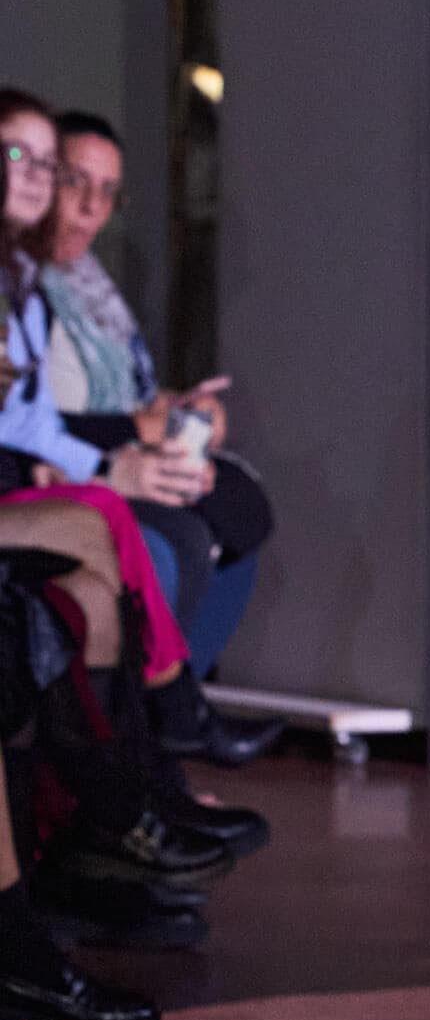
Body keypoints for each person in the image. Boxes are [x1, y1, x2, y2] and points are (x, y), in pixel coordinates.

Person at [0, 91, 278, 765]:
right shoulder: (29, 281)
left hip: (48, 462)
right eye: (26, 160)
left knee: (230, 505)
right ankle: (159, 744)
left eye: (47, 165)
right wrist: (109, 455)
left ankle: (153, 754)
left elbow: (30, 415)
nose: (87, 204)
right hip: (35, 473)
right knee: (135, 530)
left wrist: (175, 416)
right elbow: (36, 418)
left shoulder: (40, 280)